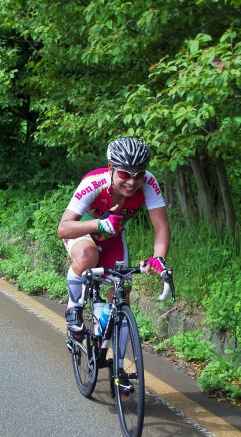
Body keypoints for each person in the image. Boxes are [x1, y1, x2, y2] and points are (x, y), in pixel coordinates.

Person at [57, 136, 170, 338]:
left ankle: (114, 359)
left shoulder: (149, 183)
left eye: (138, 174)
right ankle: (73, 308)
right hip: (82, 231)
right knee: (87, 257)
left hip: (113, 238)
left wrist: (158, 258)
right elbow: (63, 229)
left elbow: (161, 226)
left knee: (121, 297)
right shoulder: (93, 182)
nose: (132, 181)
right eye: (124, 174)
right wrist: (99, 223)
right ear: (111, 168)